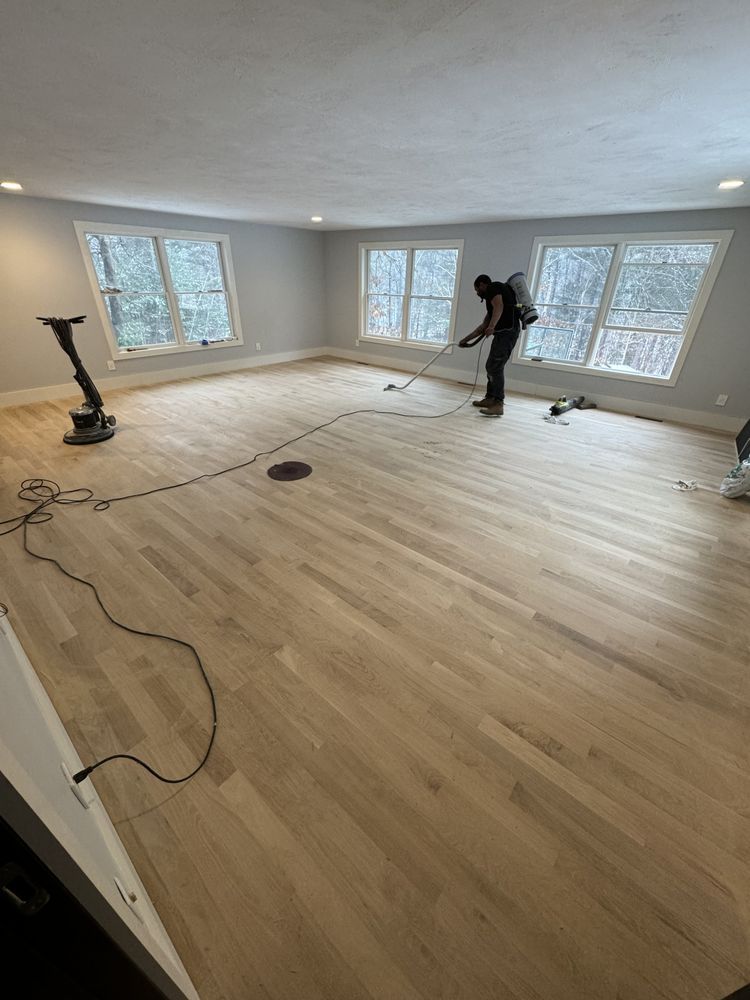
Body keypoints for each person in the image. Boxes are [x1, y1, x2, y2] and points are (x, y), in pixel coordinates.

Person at [459, 274, 520, 416]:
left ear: (482, 284)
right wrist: (465, 340)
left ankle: (498, 404)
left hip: (507, 333)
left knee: (496, 367)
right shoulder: (491, 302)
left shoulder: (493, 287)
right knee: (491, 366)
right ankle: (490, 398)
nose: (477, 293)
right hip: (502, 334)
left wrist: (492, 326)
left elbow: (499, 306)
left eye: (476, 290)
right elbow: (483, 326)